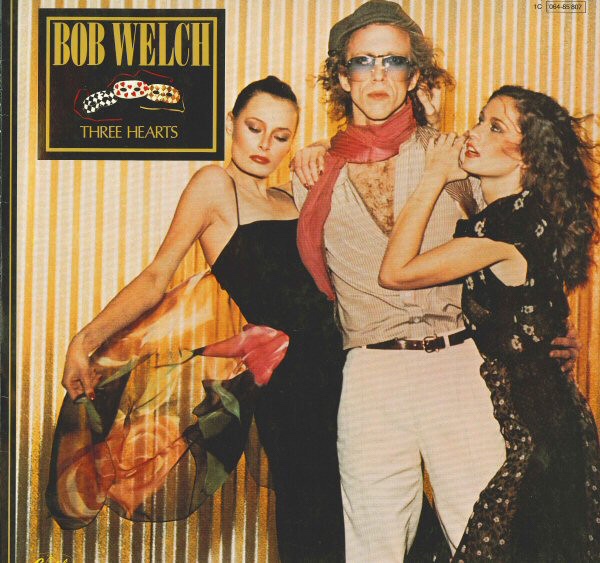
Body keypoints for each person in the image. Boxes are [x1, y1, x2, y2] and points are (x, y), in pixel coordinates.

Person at [292, 1, 580, 559]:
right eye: (363, 61)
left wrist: (552, 330)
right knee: (372, 544)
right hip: (370, 373)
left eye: (394, 61)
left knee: (485, 535)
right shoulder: (313, 175)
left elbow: (523, 231)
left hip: (457, 365)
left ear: (414, 75)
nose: (378, 75)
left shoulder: (456, 154)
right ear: (342, 77)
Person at [52, 76, 346, 562]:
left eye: (281, 136)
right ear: (231, 124)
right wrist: (83, 342)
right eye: (254, 128)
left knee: (370, 506)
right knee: (313, 514)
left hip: (345, 366)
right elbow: (156, 276)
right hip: (292, 386)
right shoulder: (215, 185)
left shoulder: (291, 197)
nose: (265, 145)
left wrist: (324, 148)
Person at [379, 85, 600, 562]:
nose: (475, 132)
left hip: (538, 437)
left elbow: (394, 272)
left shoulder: (506, 227)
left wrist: (434, 174)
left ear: (528, 157)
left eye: (495, 127)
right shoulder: (516, 215)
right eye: (480, 119)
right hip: (546, 424)